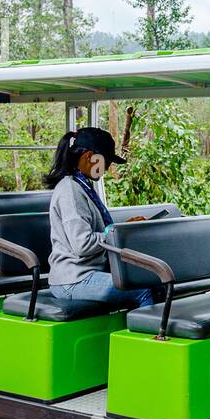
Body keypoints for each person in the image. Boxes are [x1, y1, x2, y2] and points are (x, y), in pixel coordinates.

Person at [43, 126, 156, 309]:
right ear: (89, 157)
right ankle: (150, 336)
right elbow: (82, 244)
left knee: (155, 280)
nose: (107, 169)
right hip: (73, 279)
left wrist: (121, 229)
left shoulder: (83, 186)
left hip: (89, 273)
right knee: (142, 290)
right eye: (107, 162)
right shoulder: (70, 190)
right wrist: (114, 233)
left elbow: (98, 233)